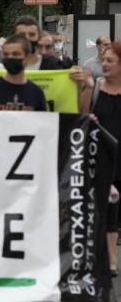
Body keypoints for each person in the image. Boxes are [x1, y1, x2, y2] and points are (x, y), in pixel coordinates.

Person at [72, 40, 121, 275]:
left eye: (110, 61)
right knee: (106, 209)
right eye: (104, 60)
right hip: (101, 156)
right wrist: (88, 88)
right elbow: (82, 113)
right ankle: (110, 259)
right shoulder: (98, 87)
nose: (105, 64)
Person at [0, 35, 47, 117]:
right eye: (6, 54)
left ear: (28, 57)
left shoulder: (36, 93)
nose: (10, 57)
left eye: (16, 54)